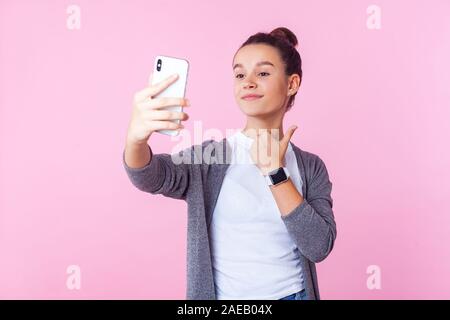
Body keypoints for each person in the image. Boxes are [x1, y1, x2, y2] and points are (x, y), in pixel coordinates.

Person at [123, 27, 337, 300]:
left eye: (262, 73)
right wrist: (135, 141)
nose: (247, 82)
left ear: (292, 84)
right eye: (239, 74)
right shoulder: (210, 158)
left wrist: (275, 173)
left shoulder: (311, 167)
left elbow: (319, 246)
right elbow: (149, 176)